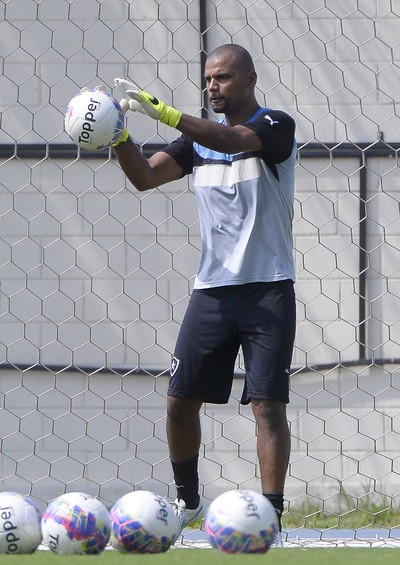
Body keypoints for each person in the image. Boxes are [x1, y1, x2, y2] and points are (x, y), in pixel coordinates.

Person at [112, 44, 296, 546]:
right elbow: (145, 178)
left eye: (223, 78)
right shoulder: (195, 144)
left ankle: (271, 516)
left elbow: (235, 139)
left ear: (250, 79)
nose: (213, 86)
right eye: (209, 79)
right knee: (178, 401)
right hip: (212, 292)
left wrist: (164, 111)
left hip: (268, 290)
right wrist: (117, 133)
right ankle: (188, 500)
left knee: (267, 407)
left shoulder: (275, 126)